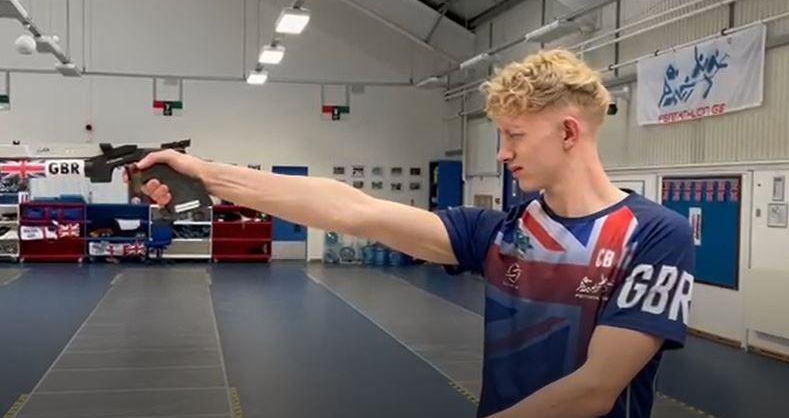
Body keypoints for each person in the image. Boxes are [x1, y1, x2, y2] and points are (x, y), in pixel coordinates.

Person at [134, 49, 695, 418]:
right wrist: (207, 174)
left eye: (515, 136)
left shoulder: (654, 236)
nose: (502, 153)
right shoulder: (502, 232)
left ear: (569, 131)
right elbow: (351, 209)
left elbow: (597, 389)